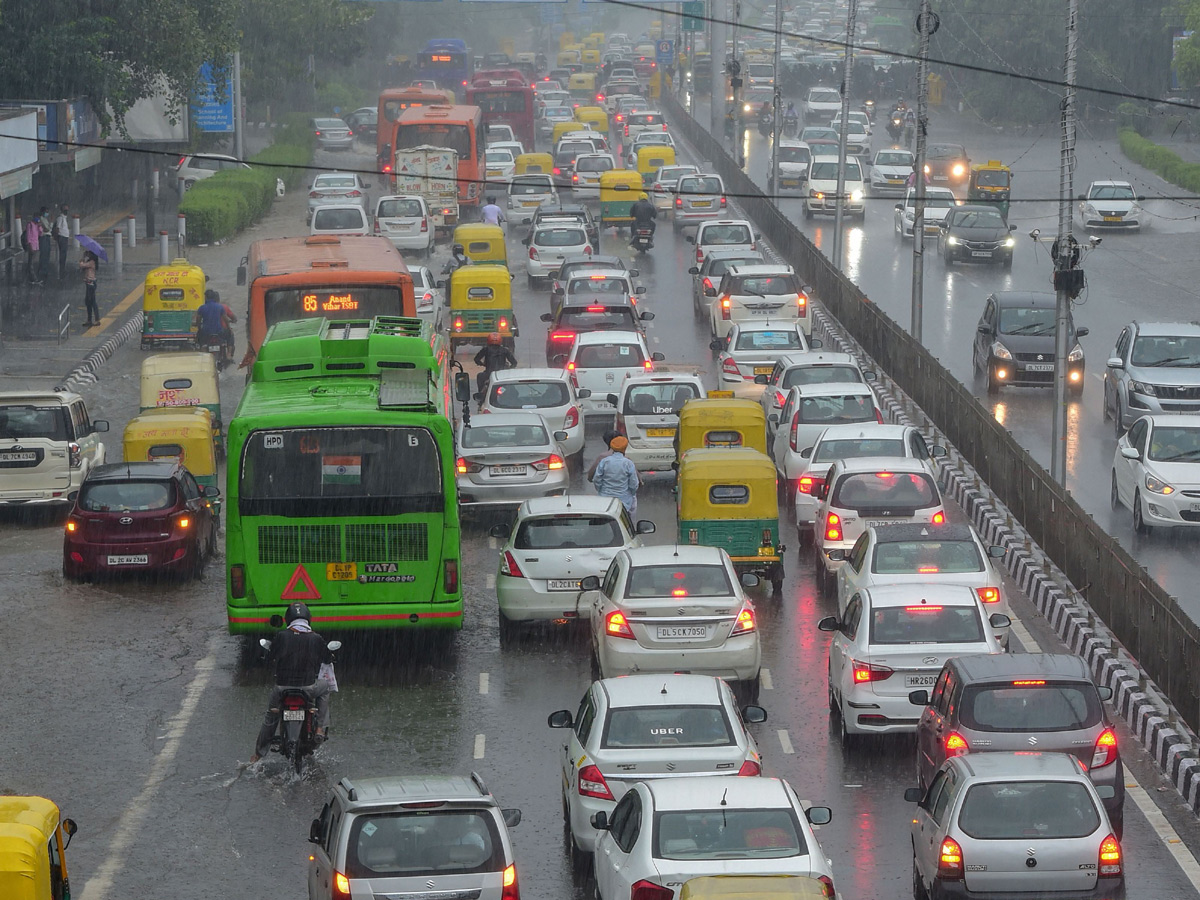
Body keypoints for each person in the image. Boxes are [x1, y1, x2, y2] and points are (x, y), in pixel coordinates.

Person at [251, 602, 334, 763]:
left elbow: (269, 658)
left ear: (288, 619)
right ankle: (319, 729)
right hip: (309, 688)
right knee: (325, 688)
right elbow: (327, 659)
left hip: (282, 689)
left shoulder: (281, 636)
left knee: (271, 717)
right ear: (308, 619)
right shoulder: (316, 638)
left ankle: (258, 755)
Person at [592, 435, 640, 514]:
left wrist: (601, 491)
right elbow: (634, 484)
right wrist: (631, 493)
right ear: (625, 448)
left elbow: (597, 479)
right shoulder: (628, 463)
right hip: (624, 501)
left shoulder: (604, 462)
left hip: (605, 499)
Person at [194, 289, 233, 362]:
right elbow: (226, 320)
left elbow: (198, 321)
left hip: (206, 332)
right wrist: (229, 329)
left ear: (206, 297)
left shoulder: (202, 308)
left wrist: (199, 328)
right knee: (230, 336)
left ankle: (202, 353)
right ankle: (229, 354)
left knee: (199, 341)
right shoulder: (220, 307)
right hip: (219, 332)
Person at [473, 332, 517, 396]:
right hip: (502, 375)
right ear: (500, 340)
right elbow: (514, 363)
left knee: (479, 376)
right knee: (513, 390)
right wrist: (508, 369)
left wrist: (482, 364)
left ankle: (480, 394)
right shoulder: (505, 350)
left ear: (488, 340)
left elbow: (476, 359)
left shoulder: (485, 349)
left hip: (488, 374)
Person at [79, 250, 99, 326]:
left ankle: (96, 319)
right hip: (88, 283)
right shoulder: (89, 261)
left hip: (91, 283)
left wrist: (82, 260)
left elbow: (82, 265)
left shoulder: (92, 262)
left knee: (92, 301)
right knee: (88, 302)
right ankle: (89, 319)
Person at [24, 215, 42, 285]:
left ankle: (27, 278)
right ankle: (33, 278)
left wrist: (39, 226)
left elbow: (40, 234)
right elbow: (28, 236)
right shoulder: (30, 225)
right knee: (30, 263)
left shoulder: (36, 225)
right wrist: (30, 246)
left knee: (31, 262)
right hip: (31, 245)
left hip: (36, 246)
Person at [54, 205, 70, 279]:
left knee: (64, 255)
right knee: (62, 255)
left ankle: (62, 270)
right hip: (62, 237)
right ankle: (61, 272)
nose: (66, 211)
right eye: (65, 210)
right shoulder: (60, 218)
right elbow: (57, 228)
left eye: (67, 209)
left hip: (65, 237)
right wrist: (57, 238)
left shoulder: (64, 218)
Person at [37, 207, 52, 281]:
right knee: (44, 254)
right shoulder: (40, 219)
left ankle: (45, 269)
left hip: (47, 237)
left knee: (47, 254)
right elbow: (46, 229)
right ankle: (42, 270)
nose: (47, 213)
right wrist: (48, 228)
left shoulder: (45, 219)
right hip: (43, 237)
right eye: (46, 212)